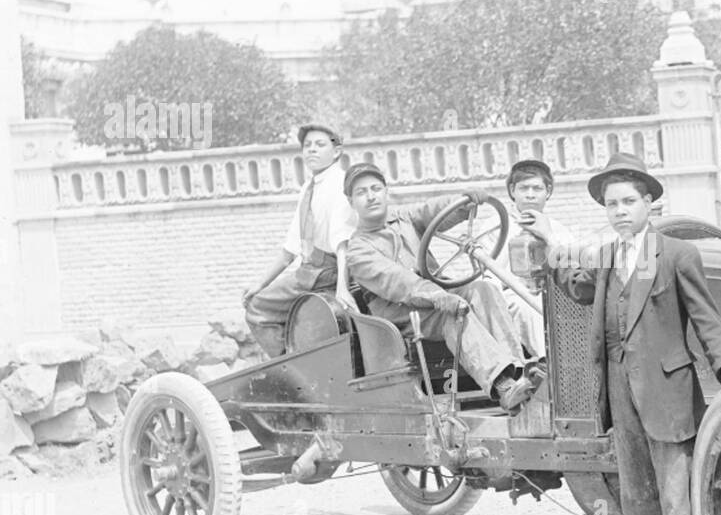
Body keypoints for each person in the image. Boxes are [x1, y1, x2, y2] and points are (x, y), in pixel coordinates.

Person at [542, 152, 721, 515]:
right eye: (611, 204)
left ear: (648, 204)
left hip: (667, 394)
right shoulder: (605, 257)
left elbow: (705, 317)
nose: (619, 211)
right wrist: (551, 252)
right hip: (620, 394)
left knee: (675, 503)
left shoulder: (677, 255)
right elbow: (579, 288)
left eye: (628, 201)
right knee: (638, 501)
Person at [343, 163, 542, 413]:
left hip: (436, 295)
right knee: (452, 315)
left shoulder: (403, 217)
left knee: (483, 288)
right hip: (401, 316)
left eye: (376, 188)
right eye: (361, 192)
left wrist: (465, 201)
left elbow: (432, 210)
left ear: (386, 192)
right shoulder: (358, 250)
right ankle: (502, 386)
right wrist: (437, 295)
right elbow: (397, 282)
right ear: (351, 201)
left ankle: (520, 373)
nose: (371, 196)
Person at [243, 123, 357, 358]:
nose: (311, 150)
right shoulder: (309, 187)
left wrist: (342, 289)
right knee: (258, 300)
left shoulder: (340, 183)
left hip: (327, 271)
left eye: (320, 144)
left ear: (336, 152)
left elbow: (343, 242)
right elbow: (289, 250)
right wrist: (260, 284)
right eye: (307, 146)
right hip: (309, 270)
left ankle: (290, 366)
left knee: (257, 310)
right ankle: (295, 357)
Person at [493, 159, 577, 360]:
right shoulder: (496, 226)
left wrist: (548, 236)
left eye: (537, 188)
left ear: (547, 191)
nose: (530, 194)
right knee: (528, 309)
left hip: (553, 293)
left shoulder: (558, 230)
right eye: (524, 188)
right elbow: (489, 275)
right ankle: (551, 364)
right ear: (512, 190)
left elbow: (573, 267)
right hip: (512, 297)